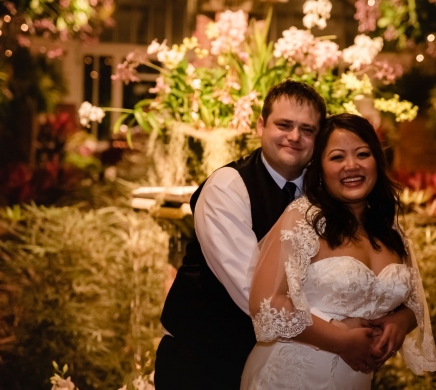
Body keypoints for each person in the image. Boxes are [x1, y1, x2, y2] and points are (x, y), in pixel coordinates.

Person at [155, 81, 418, 389]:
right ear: (260, 126)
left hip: (319, 363)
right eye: (284, 125)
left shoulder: (330, 191)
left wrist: (400, 318)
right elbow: (253, 292)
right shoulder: (229, 187)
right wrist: (341, 332)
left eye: (307, 129)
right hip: (205, 360)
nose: (294, 137)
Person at [241, 113, 436, 389]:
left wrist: (401, 321)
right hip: (289, 379)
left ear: (377, 161)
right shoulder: (303, 218)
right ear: (320, 168)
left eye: (362, 154)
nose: (351, 166)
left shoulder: (389, 228)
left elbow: (415, 298)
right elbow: (265, 304)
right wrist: (341, 341)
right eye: (337, 157)